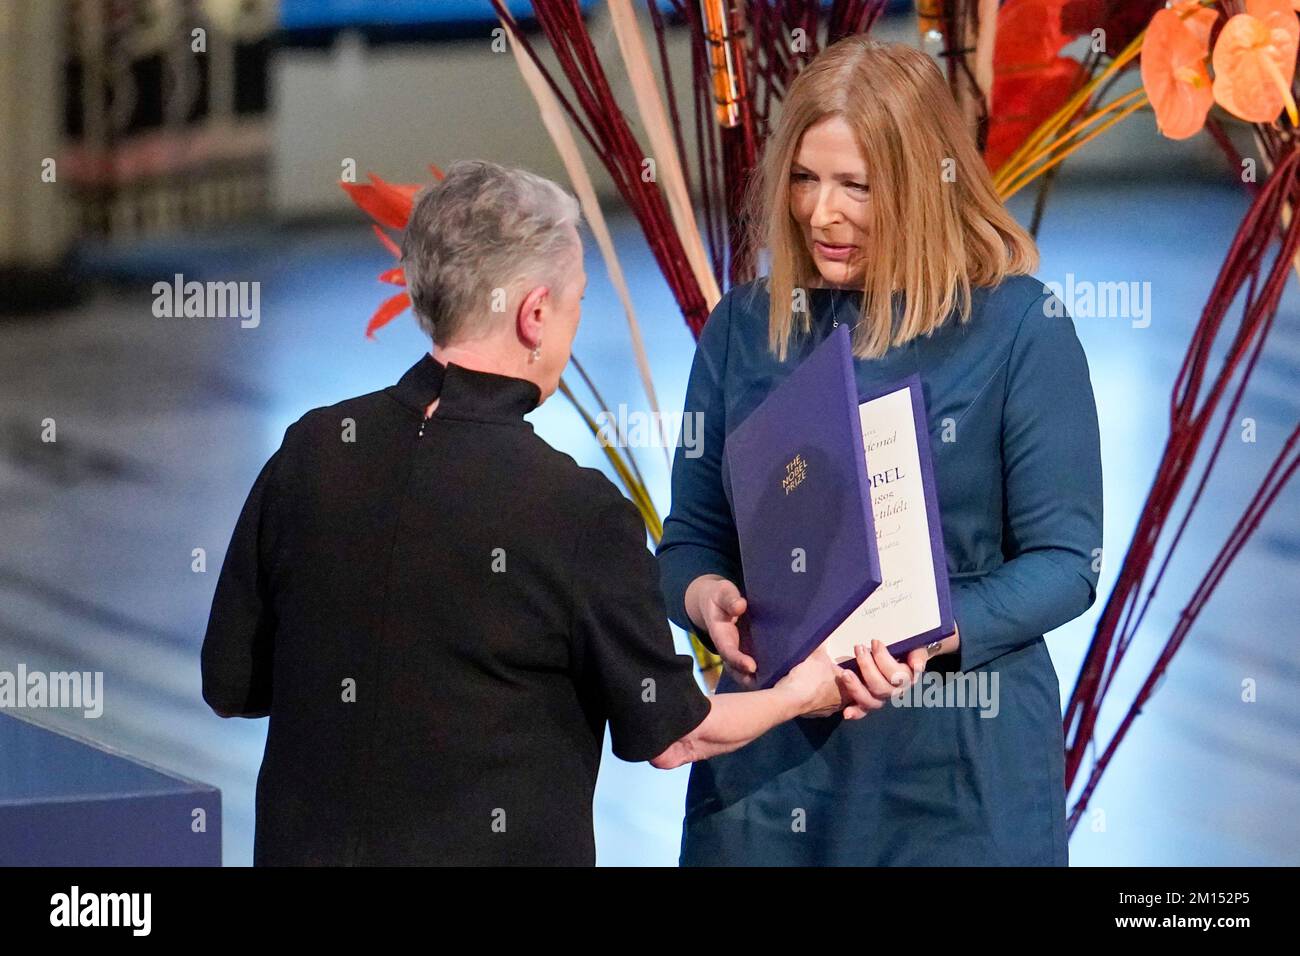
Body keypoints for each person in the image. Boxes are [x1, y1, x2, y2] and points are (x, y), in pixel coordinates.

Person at [200, 160, 859, 866]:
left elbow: (230, 684)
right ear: (535, 313)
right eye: (577, 301)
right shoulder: (577, 514)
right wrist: (802, 691)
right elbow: (677, 736)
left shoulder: (312, 450)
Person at [656, 37, 1104, 866]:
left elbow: (1065, 563)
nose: (821, 212)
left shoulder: (1019, 327)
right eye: (804, 178)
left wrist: (929, 638)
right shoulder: (743, 329)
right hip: (772, 768)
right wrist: (707, 597)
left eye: (856, 186)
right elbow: (688, 536)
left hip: (957, 768)